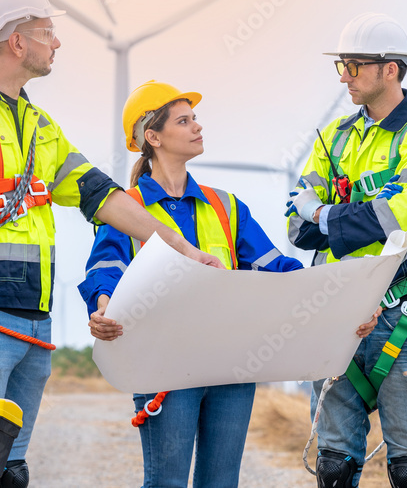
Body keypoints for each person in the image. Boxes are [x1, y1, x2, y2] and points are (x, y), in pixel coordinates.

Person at [0, 0, 223, 488]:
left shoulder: (38, 123)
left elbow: (103, 195)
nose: (57, 42)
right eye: (48, 32)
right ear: (17, 42)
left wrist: (183, 249)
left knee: (8, 473)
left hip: (33, 325)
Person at [80, 80, 378, 488]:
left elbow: (281, 271)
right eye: (184, 121)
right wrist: (102, 305)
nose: (197, 127)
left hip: (232, 366)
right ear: (153, 136)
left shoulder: (226, 205)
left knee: (221, 483)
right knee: (166, 483)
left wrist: (347, 302)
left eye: (195, 118)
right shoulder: (127, 208)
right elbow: (106, 267)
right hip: (164, 367)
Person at [287, 13, 407, 488]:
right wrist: (336, 219)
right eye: (341, 64)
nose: (343, 76)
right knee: (334, 463)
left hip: (403, 310)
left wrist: (324, 215)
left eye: (354, 65)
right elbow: (295, 228)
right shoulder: (335, 136)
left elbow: (399, 215)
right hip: (333, 311)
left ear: (390, 70)